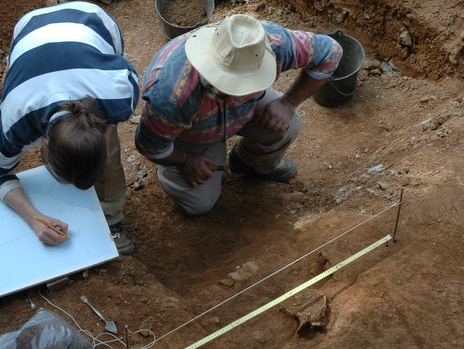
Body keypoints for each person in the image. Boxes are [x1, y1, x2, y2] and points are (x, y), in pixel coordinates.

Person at [135, 14, 343, 215]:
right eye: (227, 86)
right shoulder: (172, 96)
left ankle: (247, 163)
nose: (235, 93)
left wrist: (288, 102)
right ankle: (173, 174)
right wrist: (185, 160)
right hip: (191, 135)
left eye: (245, 83)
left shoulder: (268, 43)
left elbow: (331, 52)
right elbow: (150, 145)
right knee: (199, 204)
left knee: (290, 125)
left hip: (248, 109)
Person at [0, 1, 139, 254]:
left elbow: (118, 98)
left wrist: (105, 147)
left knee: (110, 156)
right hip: (29, 27)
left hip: (94, 20)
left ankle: (111, 219)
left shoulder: (117, 91)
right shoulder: (15, 120)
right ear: (43, 143)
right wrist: (34, 218)